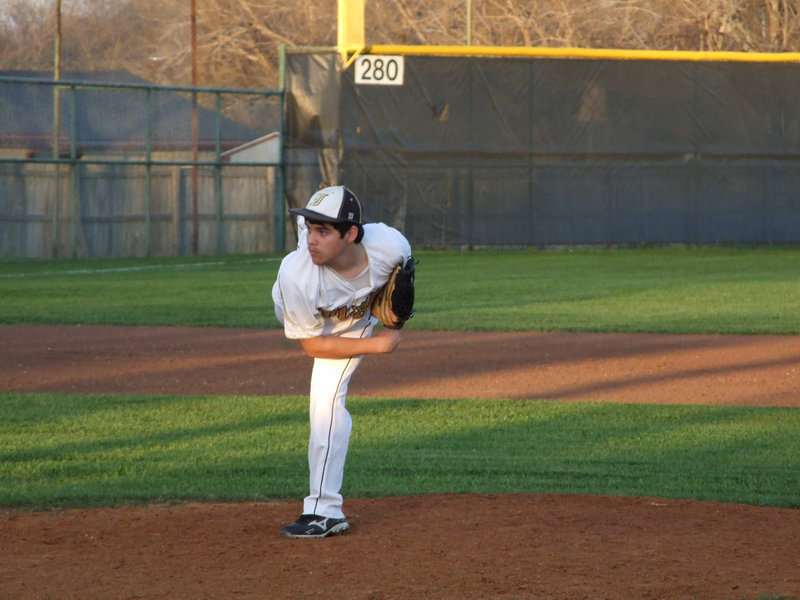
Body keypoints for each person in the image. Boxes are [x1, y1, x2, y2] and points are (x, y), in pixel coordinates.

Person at [272, 184, 413, 538]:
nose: (311, 239)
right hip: (312, 320)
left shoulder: (391, 246)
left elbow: (402, 294)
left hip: (358, 319)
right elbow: (314, 345)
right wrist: (379, 345)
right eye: (309, 228)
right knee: (325, 403)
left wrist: (395, 320)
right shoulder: (296, 274)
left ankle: (324, 512)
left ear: (351, 233)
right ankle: (325, 511)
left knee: (326, 406)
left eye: (322, 230)